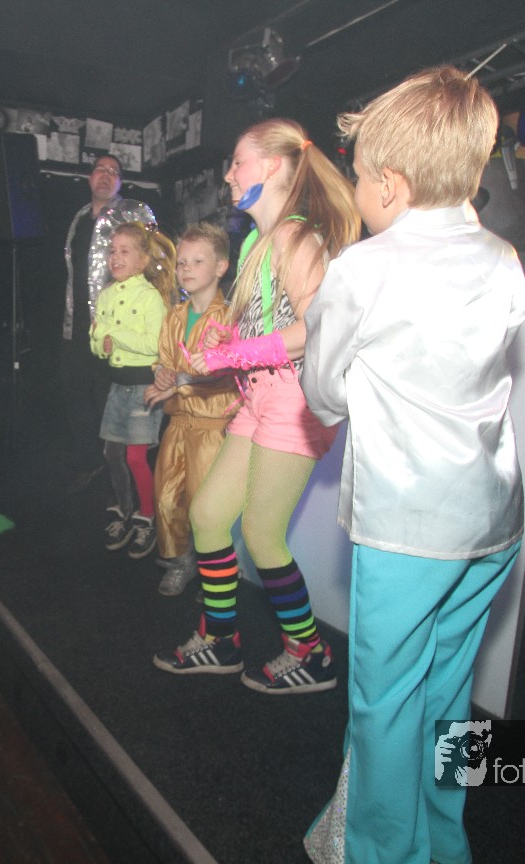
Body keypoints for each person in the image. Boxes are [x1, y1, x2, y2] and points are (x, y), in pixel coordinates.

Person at [300, 67, 525, 864]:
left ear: (389, 185)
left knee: (385, 707)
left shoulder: (363, 268)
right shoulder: (503, 257)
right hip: (493, 519)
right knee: (450, 697)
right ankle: (445, 843)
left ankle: (382, 856)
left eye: (361, 176)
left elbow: (323, 394)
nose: (358, 191)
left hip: (408, 525)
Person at [152, 119, 360, 692]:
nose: (228, 174)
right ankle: (221, 639)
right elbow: (269, 327)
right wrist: (229, 344)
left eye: (237, 162)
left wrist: (233, 352)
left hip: (294, 400)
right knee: (207, 516)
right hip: (259, 395)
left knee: (264, 536)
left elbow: (316, 329)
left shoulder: (297, 237)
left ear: (271, 166)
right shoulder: (253, 243)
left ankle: (311, 652)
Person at [143, 224, 238, 595]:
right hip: (179, 421)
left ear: (220, 267)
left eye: (198, 261)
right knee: (166, 497)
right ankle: (181, 561)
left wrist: (178, 381)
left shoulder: (229, 318)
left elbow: (225, 371)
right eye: (182, 262)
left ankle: (215, 571)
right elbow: (165, 361)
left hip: (213, 425)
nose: (186, 268)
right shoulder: (174, 316)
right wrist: (163, 374)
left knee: (205, 503)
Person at [59, 155, 156, 486]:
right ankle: (90, 463)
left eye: (113, 171)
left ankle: (119, 473)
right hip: (79, 325)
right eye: (100, 169)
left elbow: (153, 261)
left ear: (121, 182)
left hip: (118, 326)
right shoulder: (79, 218)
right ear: (90, 177)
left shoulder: (131, 214)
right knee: (75, 393)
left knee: (108, 398)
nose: (105, 175)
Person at [91, 221, 177, 559]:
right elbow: (96, 341)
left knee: (135, 457)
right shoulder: (106, 295)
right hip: (117, 387)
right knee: (111, 454)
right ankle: (124, 509)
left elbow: (155, 345)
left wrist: (113, 334)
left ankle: (147, 516)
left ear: (142, 260)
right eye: (113, 250)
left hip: (144, 387)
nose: (116, 257)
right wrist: (102, 345)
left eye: (125, 251)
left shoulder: (150, 297)